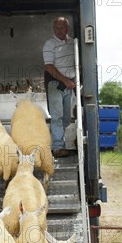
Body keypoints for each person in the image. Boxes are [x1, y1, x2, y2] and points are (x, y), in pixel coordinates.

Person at [43, 17, 76, 158]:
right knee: (57, 116)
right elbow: (49, 67)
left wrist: (73, 80)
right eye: (56, 28)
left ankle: (57, 139)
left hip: (69, 84)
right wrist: (65, 80)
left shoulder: (73, 43)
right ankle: (57, 147)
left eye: (62, 28)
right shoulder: (49, 45)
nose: (59, 31)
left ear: (67, 29)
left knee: (66, 118)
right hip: (54, 84)